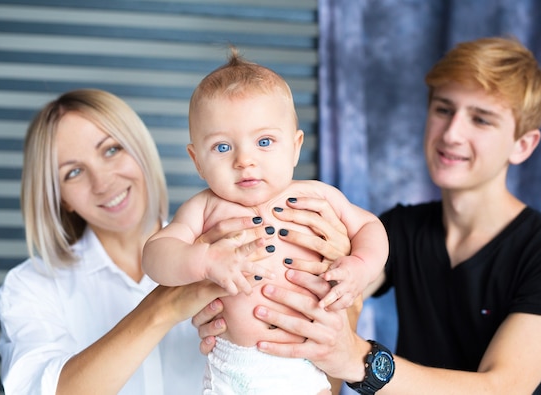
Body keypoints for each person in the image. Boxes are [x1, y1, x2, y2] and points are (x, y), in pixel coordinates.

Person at [199, 37, 541, 394]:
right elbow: (329, 304)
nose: (452, 133)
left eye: (481, 119)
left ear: (523, 145)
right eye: (443, 109)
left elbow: (503, 389)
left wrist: (358, 359)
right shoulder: (400, 229)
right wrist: (238, 313)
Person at [0, 89, 286, 394]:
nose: (103, 182)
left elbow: (312, 368)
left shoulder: (237, 245)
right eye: (74, 172)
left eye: (111, 150)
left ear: (140, 149)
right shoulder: (30, 286)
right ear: (61, 198)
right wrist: (162, 309)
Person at [142, 51, 389, 394]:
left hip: (306, 362)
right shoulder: (204, 208)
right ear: (197, 160)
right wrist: (204, 260)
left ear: (295, 146)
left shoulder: (318, 195)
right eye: (223, 147)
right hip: (234, 365)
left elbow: (369, 227)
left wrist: (360, 266)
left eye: (264, 142)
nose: (245, 161)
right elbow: (155, 255)